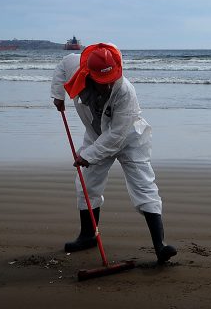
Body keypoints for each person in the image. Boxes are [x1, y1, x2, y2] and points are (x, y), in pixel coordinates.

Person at [50, 42, 177, 263]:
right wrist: (58, 94)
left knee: (143, 184)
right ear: (89, 73)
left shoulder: (125, 91)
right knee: (87, 184)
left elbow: (117, 136)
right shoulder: (74, 65)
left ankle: (160, 246)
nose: (108, 86)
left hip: (130, 137)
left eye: (111, 80)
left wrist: (87, 156)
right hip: (97, 134)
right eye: (102, 82)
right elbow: (62, 65)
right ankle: (88, 235)